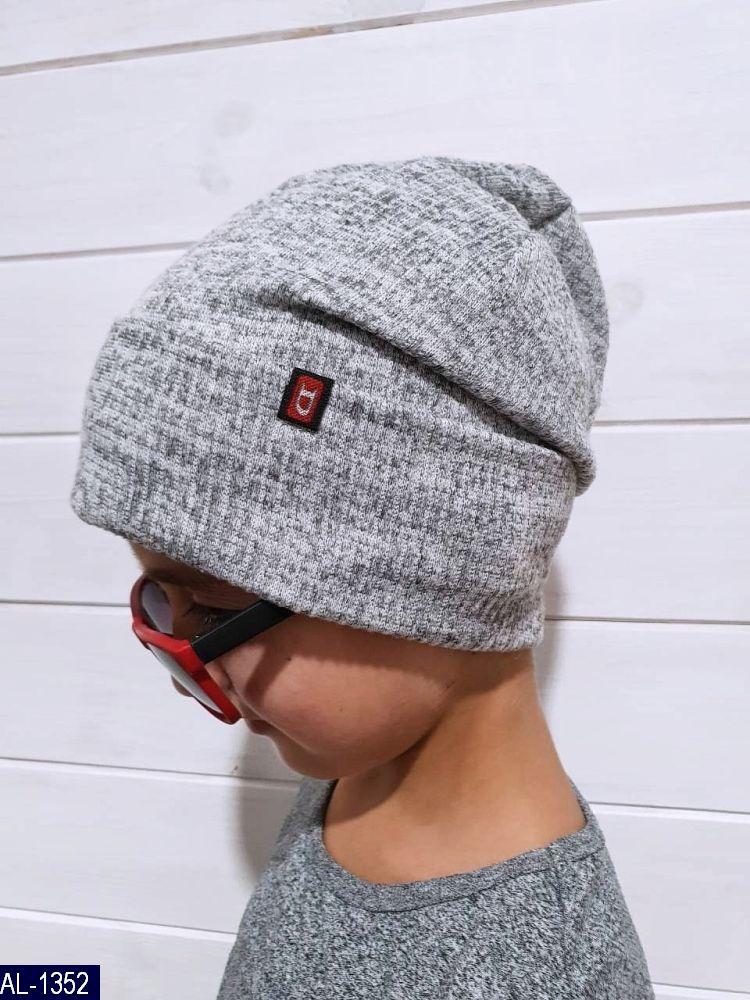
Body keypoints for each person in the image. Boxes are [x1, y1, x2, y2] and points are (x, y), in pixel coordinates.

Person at [69, 155, 655, 998]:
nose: (180, 663)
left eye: (215, 610)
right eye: (161, 598)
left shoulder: (540, 975)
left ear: (442, 575)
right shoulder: (364, 765)